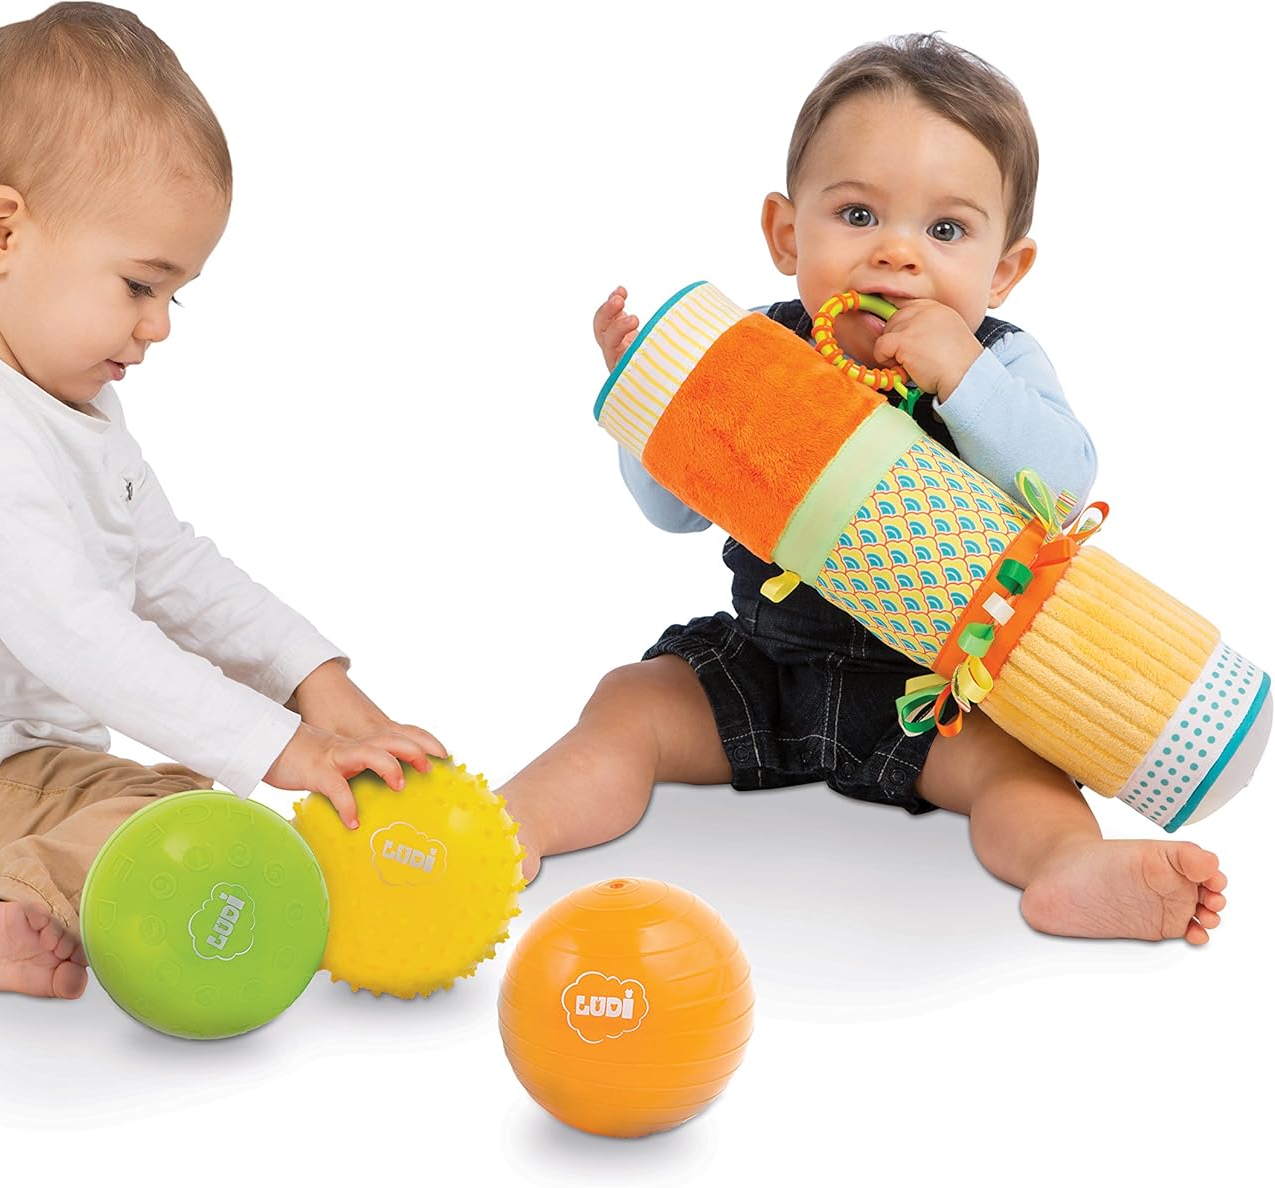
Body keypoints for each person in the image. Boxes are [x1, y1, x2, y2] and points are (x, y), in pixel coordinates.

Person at [498, 33, 1229, 944]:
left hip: (936, 694)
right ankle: (510, 828)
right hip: (765, 667)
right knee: (629, 704)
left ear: (1004, 270)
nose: (896, 255)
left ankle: (1068, 866)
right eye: (856, 214)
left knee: (1022, 772)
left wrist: (964, 379)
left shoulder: (998, 360)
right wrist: (650, 403)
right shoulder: (756, 353)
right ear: (786, 233)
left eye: (946, 231)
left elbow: (1065, 485)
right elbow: (671, 510)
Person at [0, 2, 444, 999]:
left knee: (189, 804)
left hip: (11, 775)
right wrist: (285, 747)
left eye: (175, 295)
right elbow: (76, 636)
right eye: (139, 285)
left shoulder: (59, 401)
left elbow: (169, 568)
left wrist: (313, 681)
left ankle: (17, 893)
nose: (160, 325)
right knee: (185, 807)